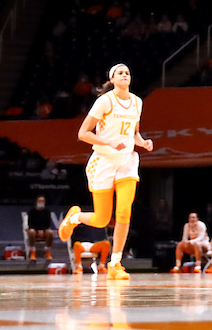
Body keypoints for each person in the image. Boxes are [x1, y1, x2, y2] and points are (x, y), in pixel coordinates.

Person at [57, 63, 153, 280]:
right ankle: (74, 217)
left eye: (128, 72)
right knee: (102, 219)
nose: (125, 75)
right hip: (104, 161)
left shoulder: (137, 102)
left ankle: (115, 264)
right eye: (120, 72)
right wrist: (108, 143)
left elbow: (134, 133)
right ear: (113, 78)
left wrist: (143, 142)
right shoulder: (105, 101)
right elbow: (83, 133)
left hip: (127, 160)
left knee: (124, 211)